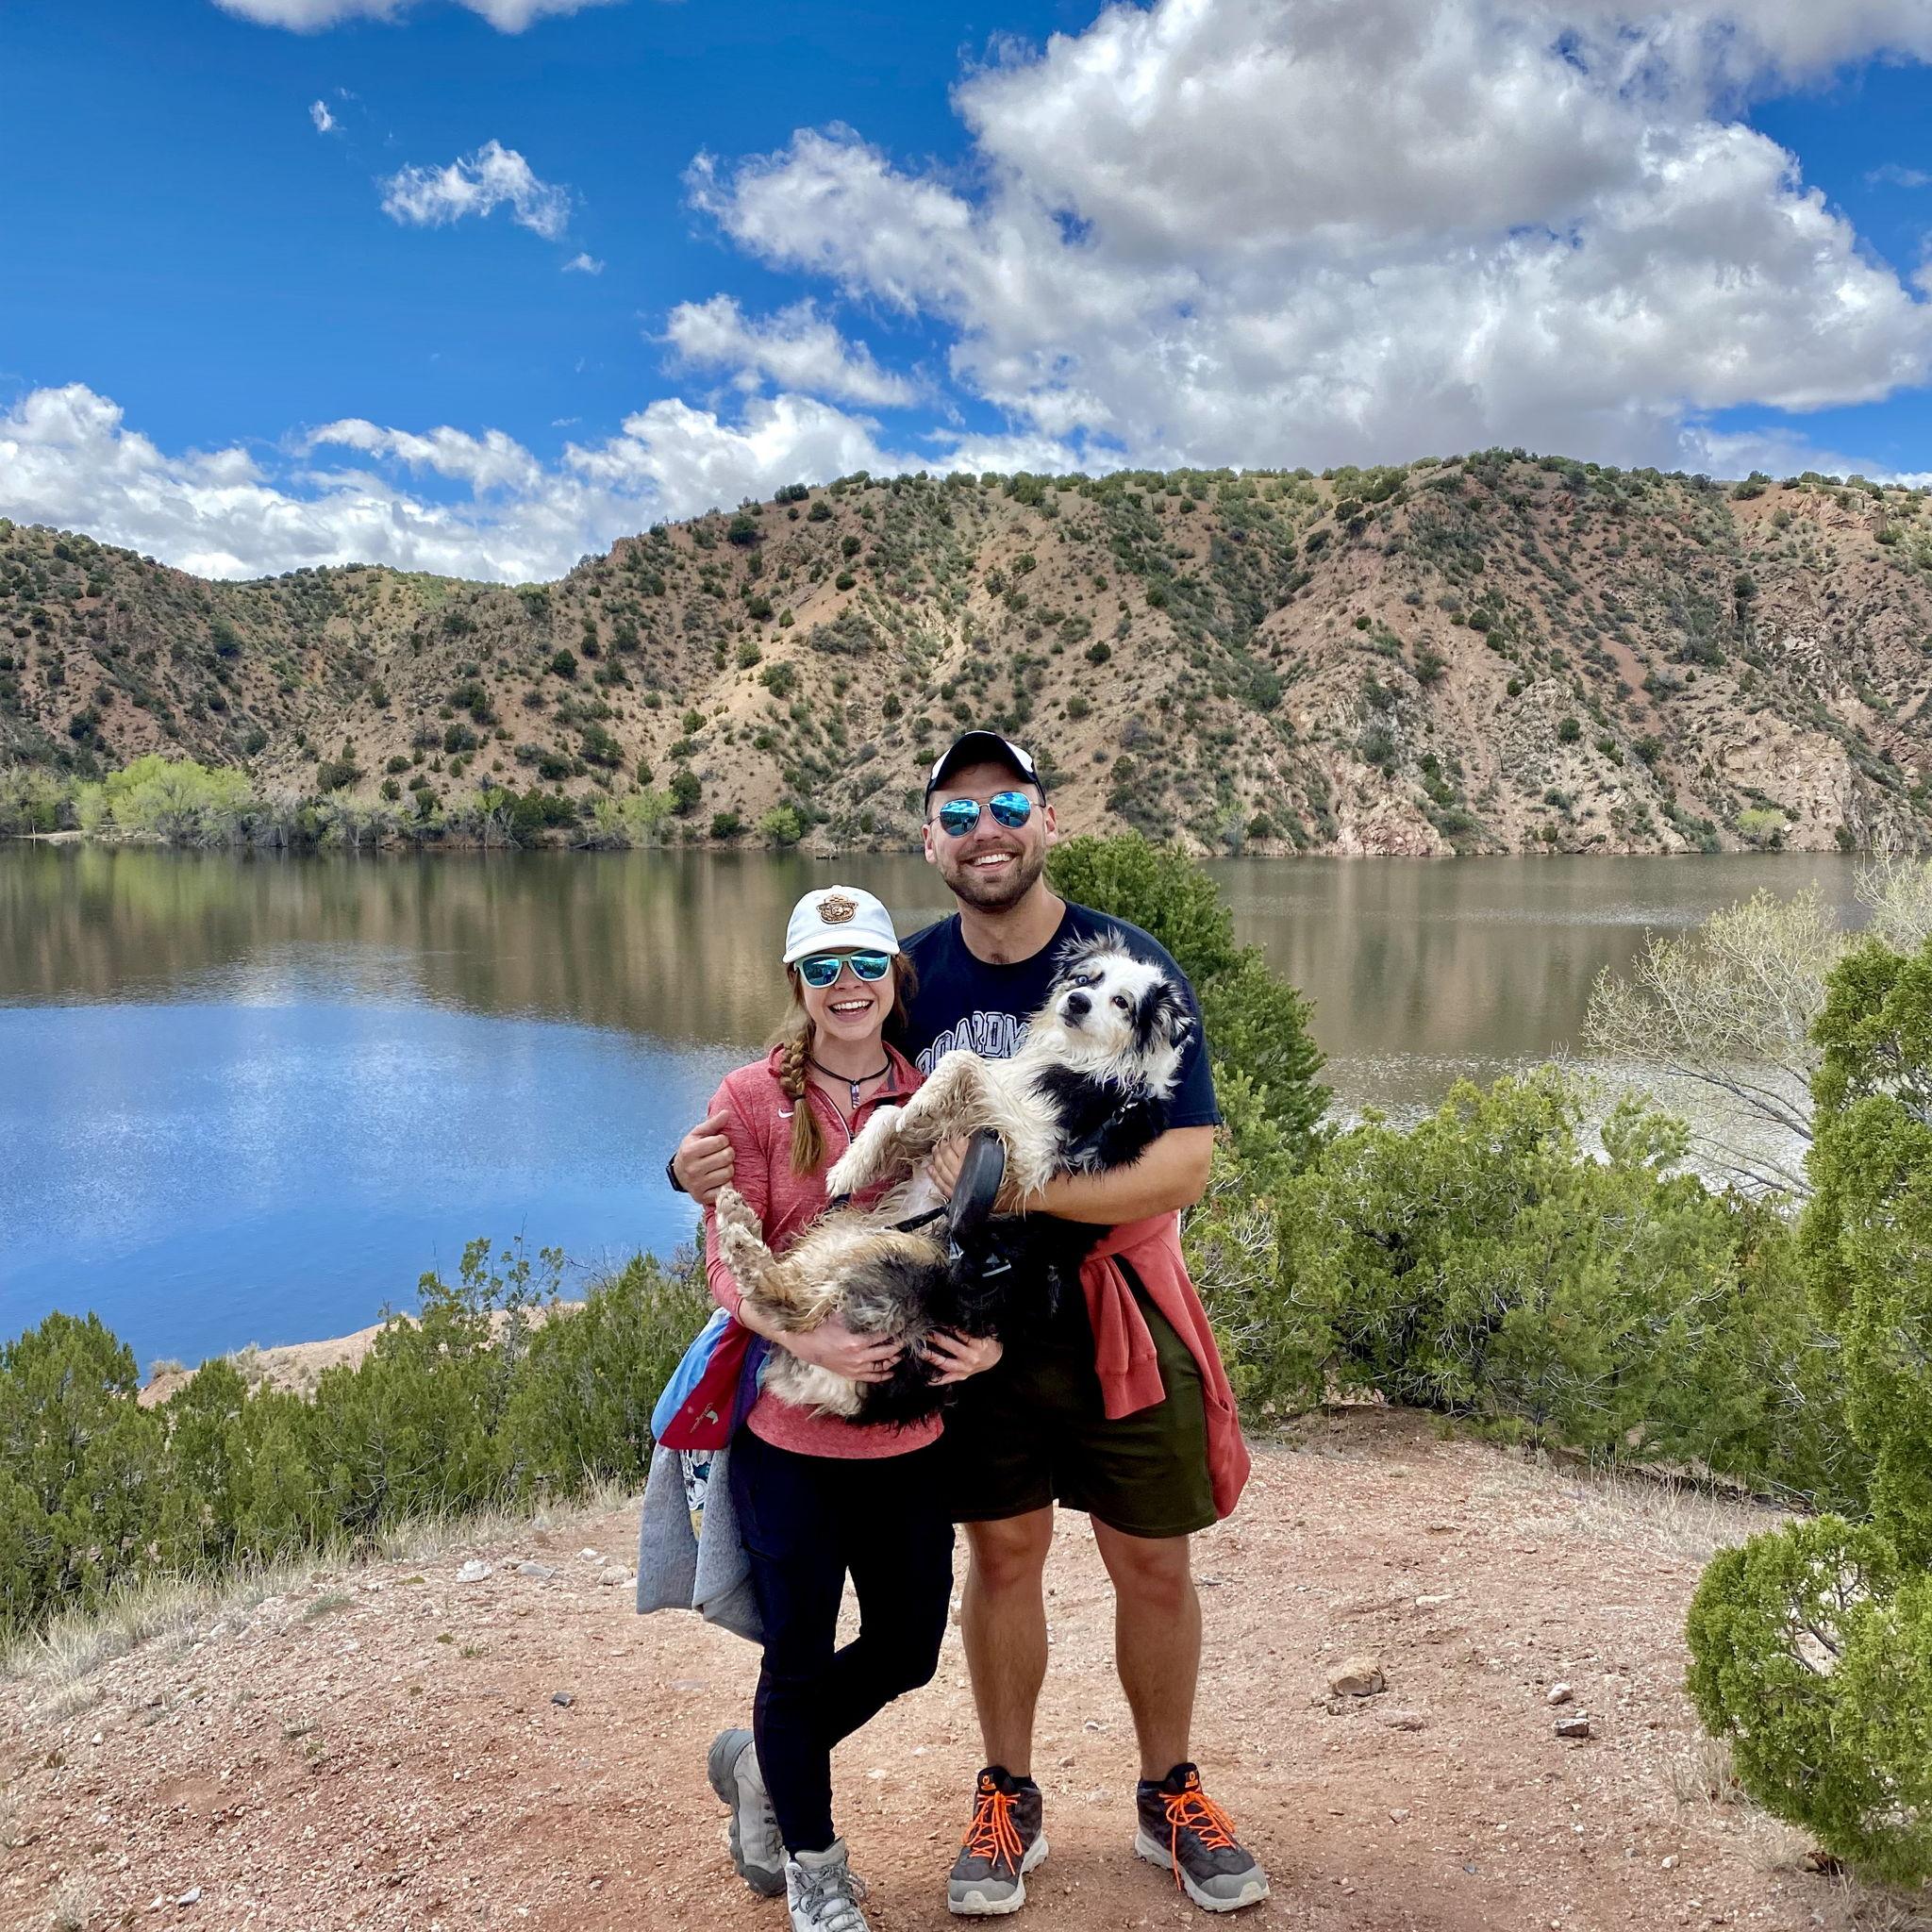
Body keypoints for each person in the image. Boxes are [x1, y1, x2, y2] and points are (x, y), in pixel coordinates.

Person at [674, 733, 1269, 1918]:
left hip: (1112, 1302)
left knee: (1151, 1556)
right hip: (960, 1323)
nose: (984, 831)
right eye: (957, 814)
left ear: (1045, 819)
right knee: (1002, 1556)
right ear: (930, 839)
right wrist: (691, 1164)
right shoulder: (910, 973)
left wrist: (1017, 1193)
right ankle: (1007, 1795)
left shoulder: (1126, 965)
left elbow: (1187, 1163)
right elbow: (801, 1084)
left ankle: (1168, 1792)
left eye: (1006, 805)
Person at [696, 883, 1004, 1932]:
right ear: (798, 983)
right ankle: (815, 1869)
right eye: (822, 969)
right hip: (789, 1439)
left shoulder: (936, 1096)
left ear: (892, 975)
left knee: (909, 1645)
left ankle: (762, 1763)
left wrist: (990, 1340)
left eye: (864, 963)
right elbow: (724, 1251)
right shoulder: (749, 1099)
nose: (846, 985)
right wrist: (803, 1335)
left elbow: (984, 1240)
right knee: (795, 1654)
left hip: (909, 1436)